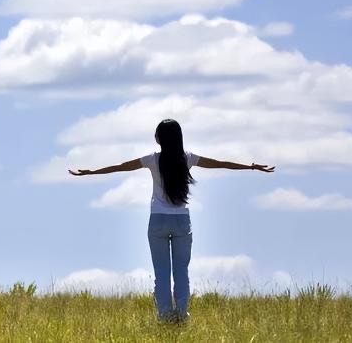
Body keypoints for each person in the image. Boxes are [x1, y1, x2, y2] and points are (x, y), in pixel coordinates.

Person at [68, 118, 275, 322]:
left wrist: (92, 172)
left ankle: (165, 316)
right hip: (181, 221)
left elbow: (121, 166)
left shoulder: (152, 160)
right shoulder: (188, 158)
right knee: (181, 271)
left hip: (158, 221)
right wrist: (251, 167)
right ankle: (181, 315)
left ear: (159, 138)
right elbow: (221, 164)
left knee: (162, 272)